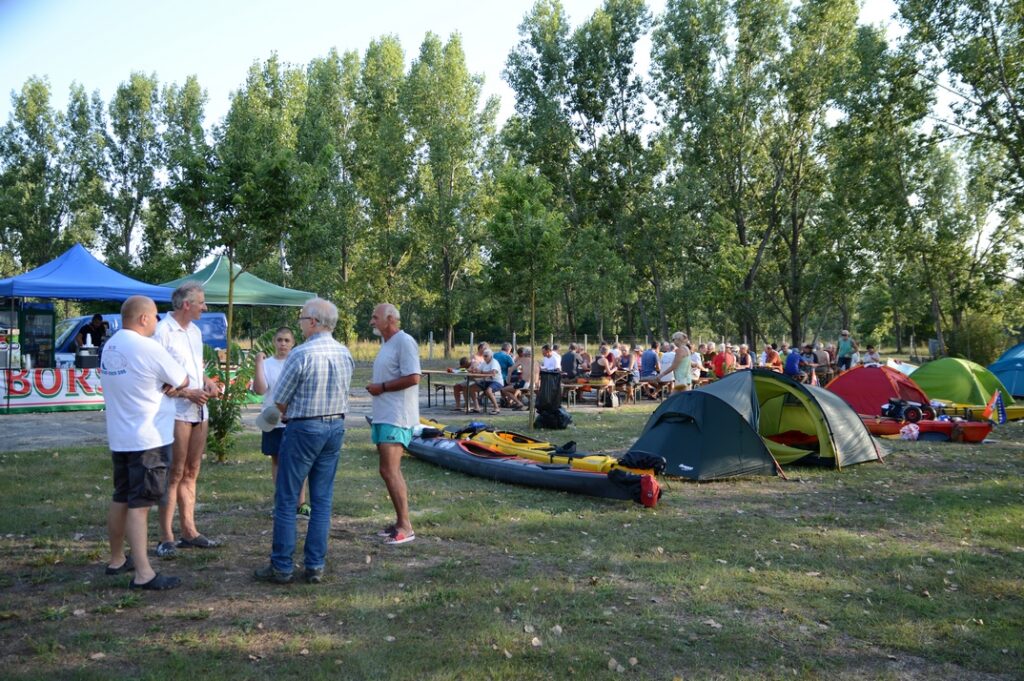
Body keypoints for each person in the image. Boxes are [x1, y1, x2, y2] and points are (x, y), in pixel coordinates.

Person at [254, 298, 354, 584]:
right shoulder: (345, 353)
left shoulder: (301, 354)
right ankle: (314, 565)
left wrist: (275, 417)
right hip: (335, 426)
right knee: (321, 500)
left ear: (313, 321)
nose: (299, 324)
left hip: (303, 429)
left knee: (286, 498)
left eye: (301, 319)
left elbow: (280, 400)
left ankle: (282, 566)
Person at [100, 296, 188, 590]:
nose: (158, 322)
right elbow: (181, 378)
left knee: (121, 496)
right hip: (148, 439)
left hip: (121, 435)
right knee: (141, 503)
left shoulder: (111, 346)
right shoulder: (148, 347)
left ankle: (116, 559)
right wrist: (173, 383)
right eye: (155, 317)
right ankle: (143, 573)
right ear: (144, 319)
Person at [154, 283, 221, 558]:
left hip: (199, 411)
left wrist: (207, 384)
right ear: (186, 305)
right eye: (201, 303)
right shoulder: (162, 332)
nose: (205, 307)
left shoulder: (194, 331)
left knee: (192, 471)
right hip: (175, 410)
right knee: (174, 473)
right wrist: (187, 393)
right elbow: (156, 379)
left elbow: (196, 368)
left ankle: (189, 531)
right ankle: (166, 537)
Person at [366, 303, 421, 546]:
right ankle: (400, 522)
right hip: (383, 413)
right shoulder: (387, 344)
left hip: (397, 416)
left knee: (390, 469)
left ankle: (406, 526)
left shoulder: (404, 341)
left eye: (375, 317)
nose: (371, 322)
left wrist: (382, 388)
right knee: (386, 470)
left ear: (390, 319)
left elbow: (414, 377)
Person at [253, 326, 310, 519]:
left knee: (298, 461)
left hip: (296, 417)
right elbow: (260, 390)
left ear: (293, 343)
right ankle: (281, 503)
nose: (283, 344)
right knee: (277, 460)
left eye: (287, 340)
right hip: (272, 418)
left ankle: (300, 503)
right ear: (274, 342)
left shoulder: (298, 362)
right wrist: (258, 363)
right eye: (279, 340)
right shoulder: (267, 364)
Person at [469, 347, 504, 414]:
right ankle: (477, 407)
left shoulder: (494, 362)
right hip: (486, 381)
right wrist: (474, 370)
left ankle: (496, 408)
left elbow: (493, 373)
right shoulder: (484, 362)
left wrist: (481, 372)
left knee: (488, 391)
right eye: (483, 356)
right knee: (471, 388)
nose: (484, 357)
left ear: (491, 356)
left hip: (497, 382)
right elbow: (478, 370)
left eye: (486, 356)